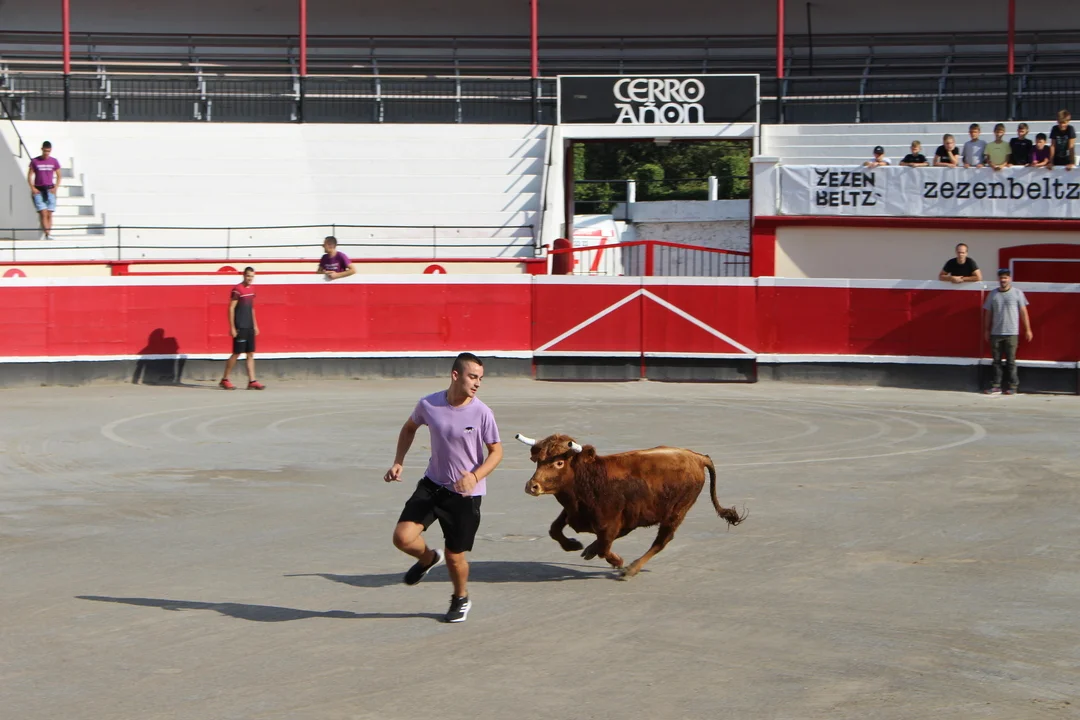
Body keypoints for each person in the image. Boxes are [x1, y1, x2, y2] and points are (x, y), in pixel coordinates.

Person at [384, 352, 503, 623]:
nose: (477, 383)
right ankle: (427, 559)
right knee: (402, 538)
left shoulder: (482, 412)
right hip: (433, 485)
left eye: (480, 378)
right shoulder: (429, 404)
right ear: (455, 375)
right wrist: (398, 461)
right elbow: (409, 428)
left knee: (454, 556)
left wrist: (475, 476)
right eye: (472, 377)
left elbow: (496, 452)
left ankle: (461, 598)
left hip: (465, 494)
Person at [983, 268, 1032, 396]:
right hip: (996, 332)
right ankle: (996, 386)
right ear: (998, 279)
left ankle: (1013, 386)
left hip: (1012, 332)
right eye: (1001, 278)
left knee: (1011, 361)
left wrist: (1028, 329)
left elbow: (1023, 312)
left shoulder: (1017, 293)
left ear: (1009, 279)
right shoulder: (993, 294)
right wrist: (986, 330)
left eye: (1005, 277)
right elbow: (988, 313)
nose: (1003, 280)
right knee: (996, 361)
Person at [220, 267, 265, 390]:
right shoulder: (237, 289)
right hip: (240, 325)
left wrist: (255, 325)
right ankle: (225, 379)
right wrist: (232, 327)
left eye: (252, 276)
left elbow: (251, 308)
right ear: (244, 276)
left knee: (250, 353)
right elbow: (231, 308)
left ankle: (252, 381)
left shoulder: (252, 289)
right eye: (248, 276)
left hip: (249, 325)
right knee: (236, 353)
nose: (250, 278)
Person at [27, 141, 61, 240]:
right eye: (45, 151)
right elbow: (29, 176)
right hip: (39, 189)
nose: (46, 153)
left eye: (48, 151)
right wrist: (32, 188)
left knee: (50, 213)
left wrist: (56, 187)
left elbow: (59, 175)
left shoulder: (54, 161)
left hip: (50, 189)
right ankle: (47, 233)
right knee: (43, 212)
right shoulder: (35, 161)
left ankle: (48, 233)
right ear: (42, 149)